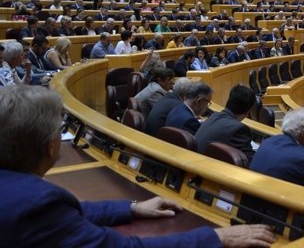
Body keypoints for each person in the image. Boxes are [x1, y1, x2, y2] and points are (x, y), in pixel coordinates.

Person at [0, 84, 275, 247]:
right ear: (51, 144)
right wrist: (215, 237)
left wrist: (131, 208)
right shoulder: (37, 203)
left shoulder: (31, 198)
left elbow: (70, 213)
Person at [195, 84, 257, 162]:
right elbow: (251, 160)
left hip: (198, 164)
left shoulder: (213, 116)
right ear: (247, 111)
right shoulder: (238, 129)